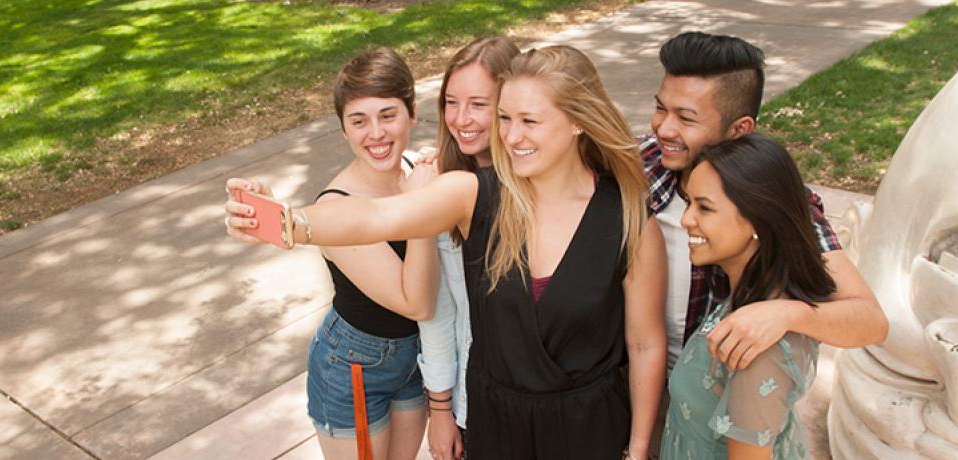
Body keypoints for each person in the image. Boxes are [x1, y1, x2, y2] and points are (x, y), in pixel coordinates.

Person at [225, 45, 667, 460]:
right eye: (505, 118)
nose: (512, 136)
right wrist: (286, 221)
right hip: (496, 428)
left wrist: (638, 448)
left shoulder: (628, 220)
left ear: (578, 121)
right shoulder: (473, 195)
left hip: (589, 429)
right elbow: (373, 217)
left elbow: (645, 342)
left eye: (529, 121)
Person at [641, 32, 884, 371]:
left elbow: (870, 321)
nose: (664, 129)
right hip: (630, 384)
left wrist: (788, 313)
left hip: (721, 392)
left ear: (740, 129)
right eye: (660, 108)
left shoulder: (771, 201)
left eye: (686, 118)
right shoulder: (640, 163)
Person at [302, 47, 440, 460]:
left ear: (412, 113)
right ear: (344, 130)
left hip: (414, 357)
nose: (375, 133)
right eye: (359, 121)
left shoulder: (416, 170)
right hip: (354, 367)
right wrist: (423, 206)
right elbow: (417, 303)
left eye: (388, 115)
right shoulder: (337, 207)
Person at [661, 134, 836, 459]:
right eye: (689, 203)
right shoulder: (747, 296)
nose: (685, 220)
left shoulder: (757, 348)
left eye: (704, 208)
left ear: (757, 219)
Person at [414, 36, 519, 460]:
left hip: (544, 403)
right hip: (473, 403)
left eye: (478, 104)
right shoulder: (442, 186)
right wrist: (441, 409)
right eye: (451, 103)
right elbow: (440, 313)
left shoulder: (544, 185)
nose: (460, 119)